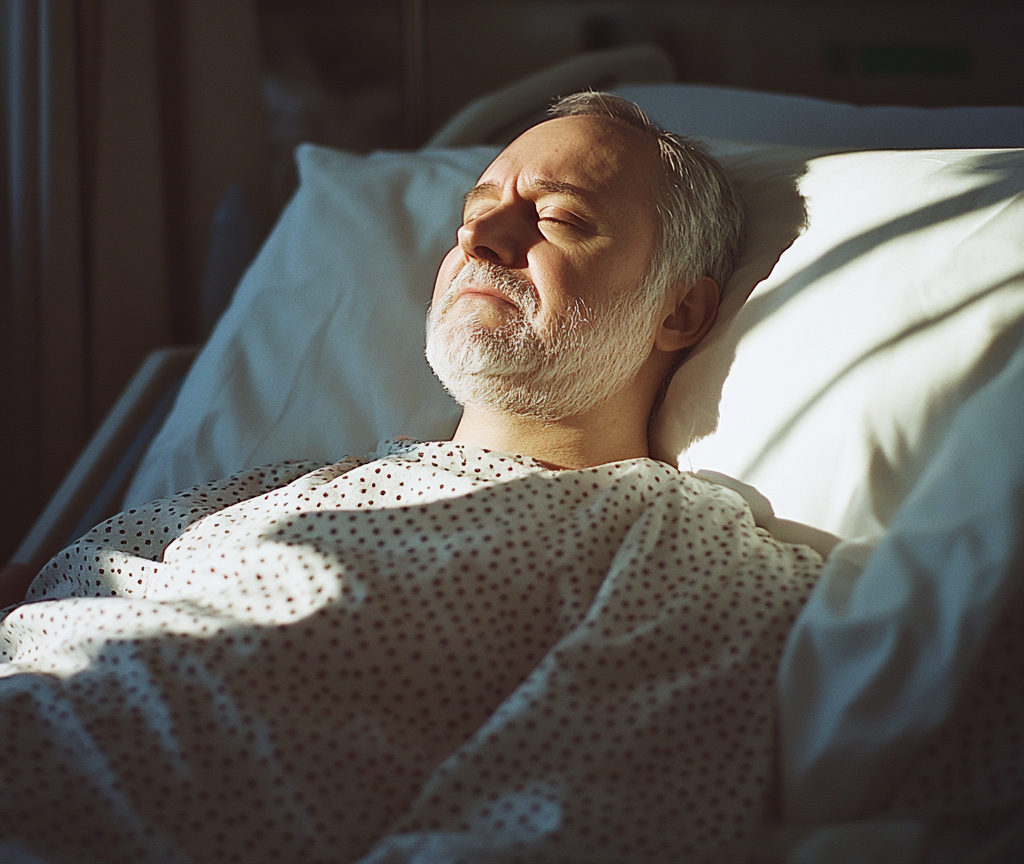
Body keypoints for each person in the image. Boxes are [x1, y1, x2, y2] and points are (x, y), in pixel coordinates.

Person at [0, 93, 832, 864]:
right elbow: (45, 597)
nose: (480, 239)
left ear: (679, 312)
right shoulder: (289, 486)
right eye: (475, 213)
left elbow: (578, 822)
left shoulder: (671, 548)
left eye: (559, 218)